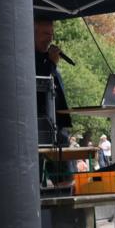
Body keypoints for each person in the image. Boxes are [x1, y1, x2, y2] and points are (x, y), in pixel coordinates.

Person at [33, 17, 73, 145]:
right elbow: (40, 82)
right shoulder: (30, 57)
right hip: (42, 124)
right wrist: (51, 62)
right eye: (45, 34)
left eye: (51, 34)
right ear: (33, 33)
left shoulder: (49, 58)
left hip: (59, 123)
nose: (49, 39)